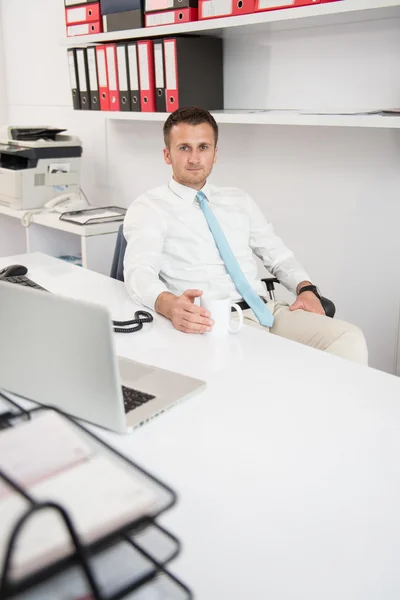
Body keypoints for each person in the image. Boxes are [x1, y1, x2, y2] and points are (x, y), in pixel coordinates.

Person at [123, 107, 368, 364]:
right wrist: (168, 304)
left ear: (215, 154)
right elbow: (138, 271)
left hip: (267, 310)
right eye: (184, 148)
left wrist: (306, 289)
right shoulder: (149, 207)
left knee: (349, 339)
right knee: (265, 372)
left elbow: (279, 257)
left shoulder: (238, 200)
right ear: (167, 155)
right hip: (214, 321)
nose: (195, 158)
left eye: (203, 147)